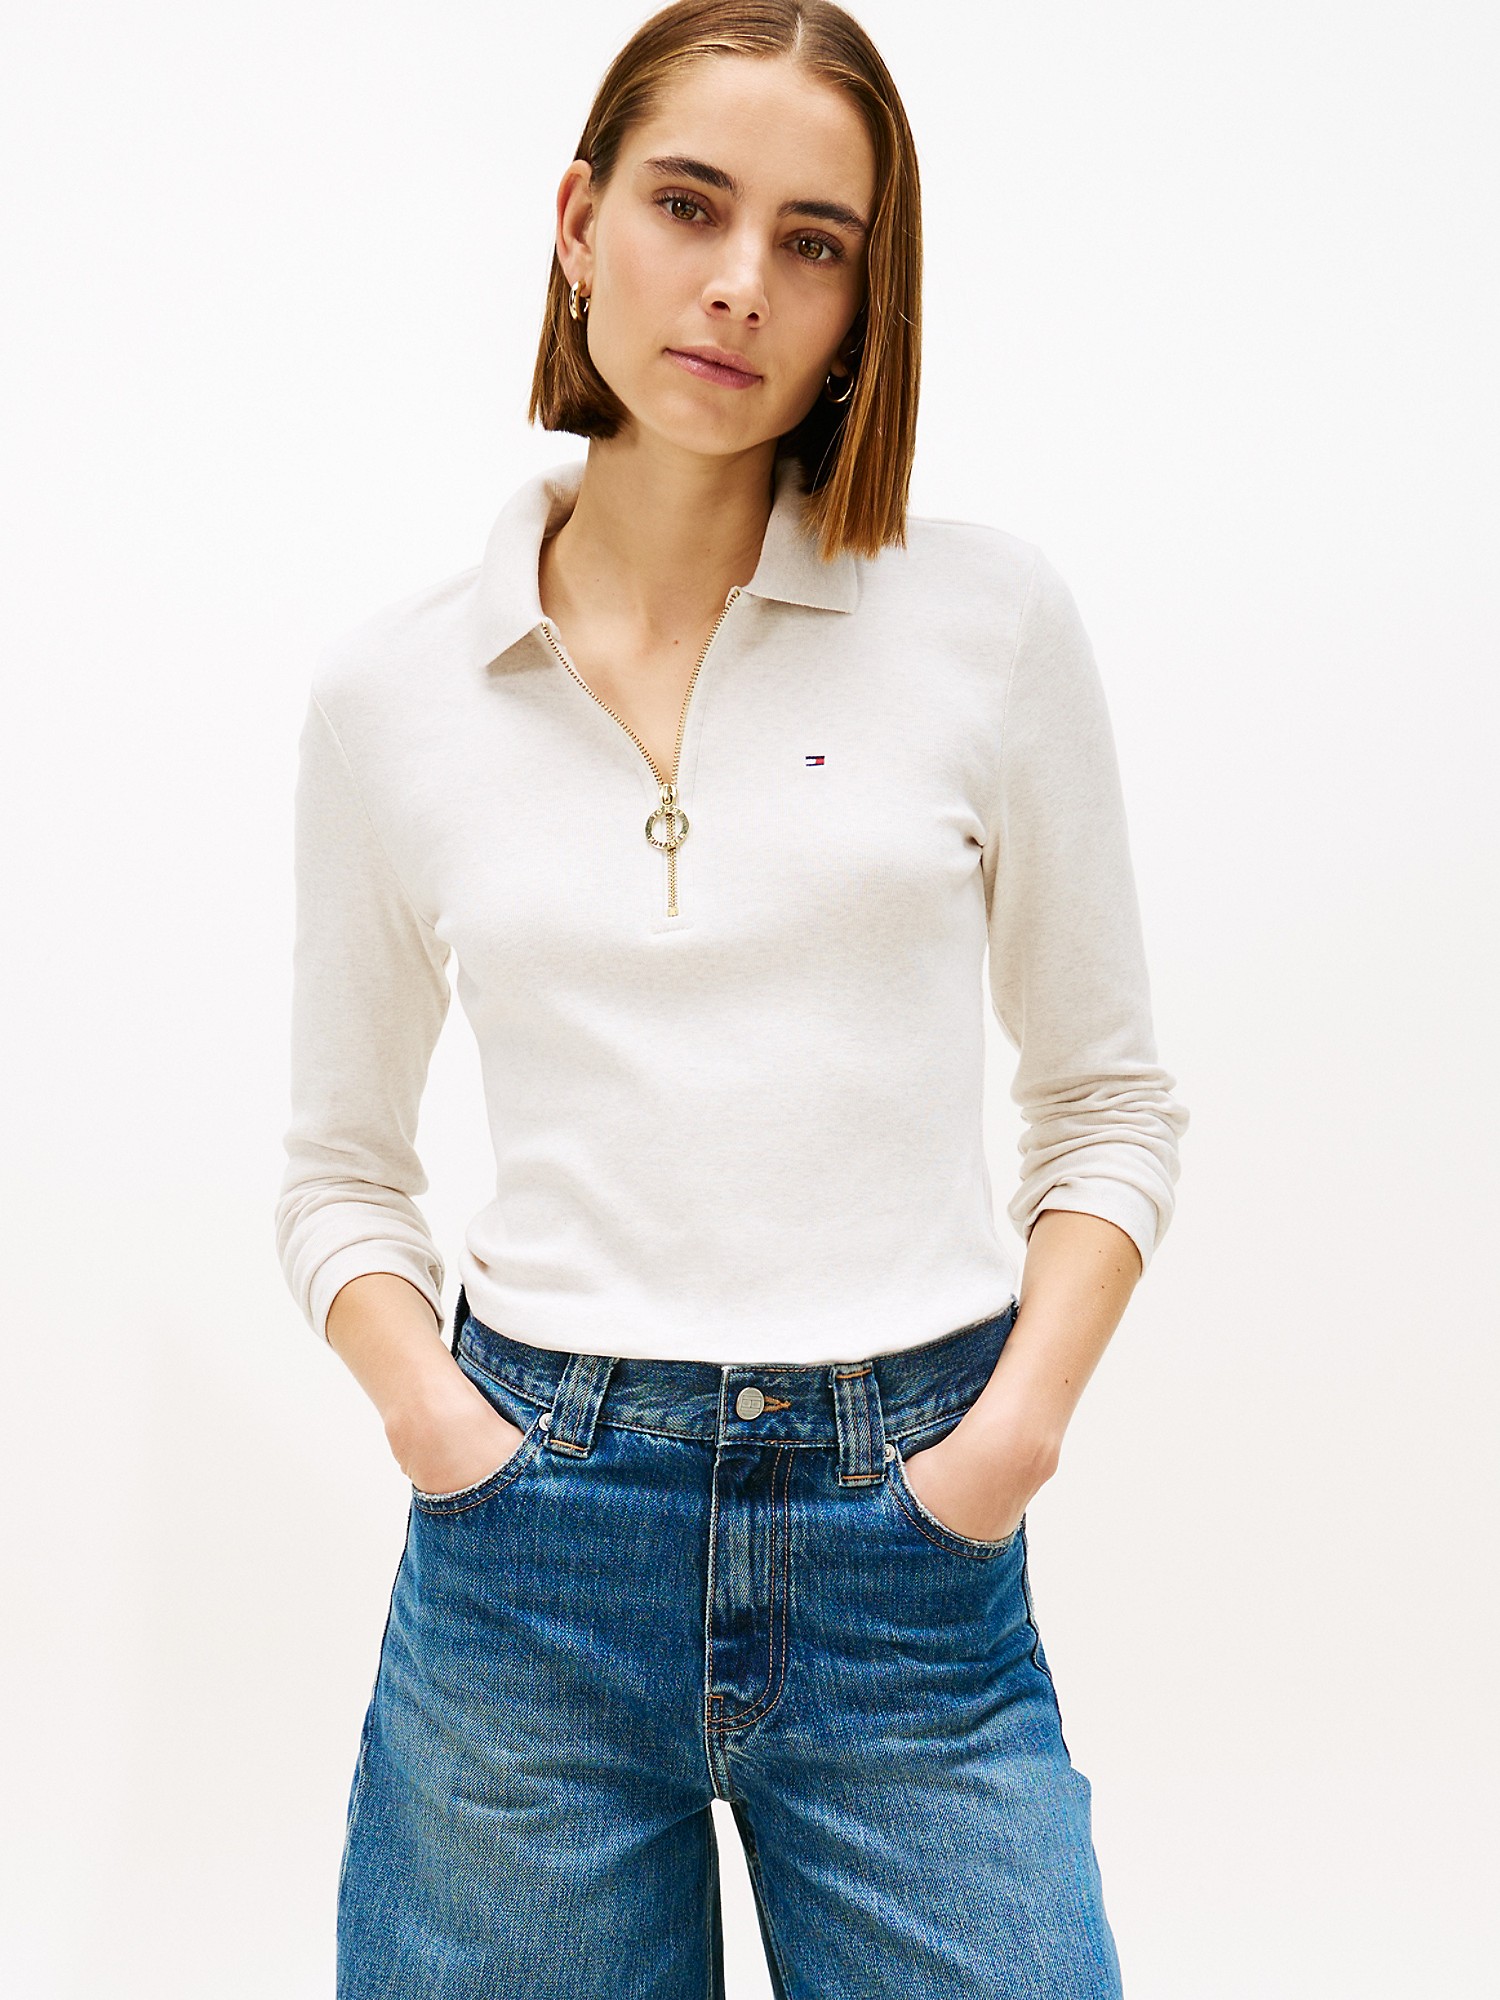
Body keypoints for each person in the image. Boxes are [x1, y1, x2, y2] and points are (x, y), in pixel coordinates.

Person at [274, 2, 1188, 1992]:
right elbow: (339, 1170)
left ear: (864, 302)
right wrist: (439, 1428)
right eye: (690, 205)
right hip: (530, 1552)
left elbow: (1110, 1108)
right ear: (579, 225)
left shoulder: (986, 623)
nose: (740, 281)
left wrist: (1007, 1444)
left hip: (910, 1547)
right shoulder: (391, 695)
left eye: (813, 239)